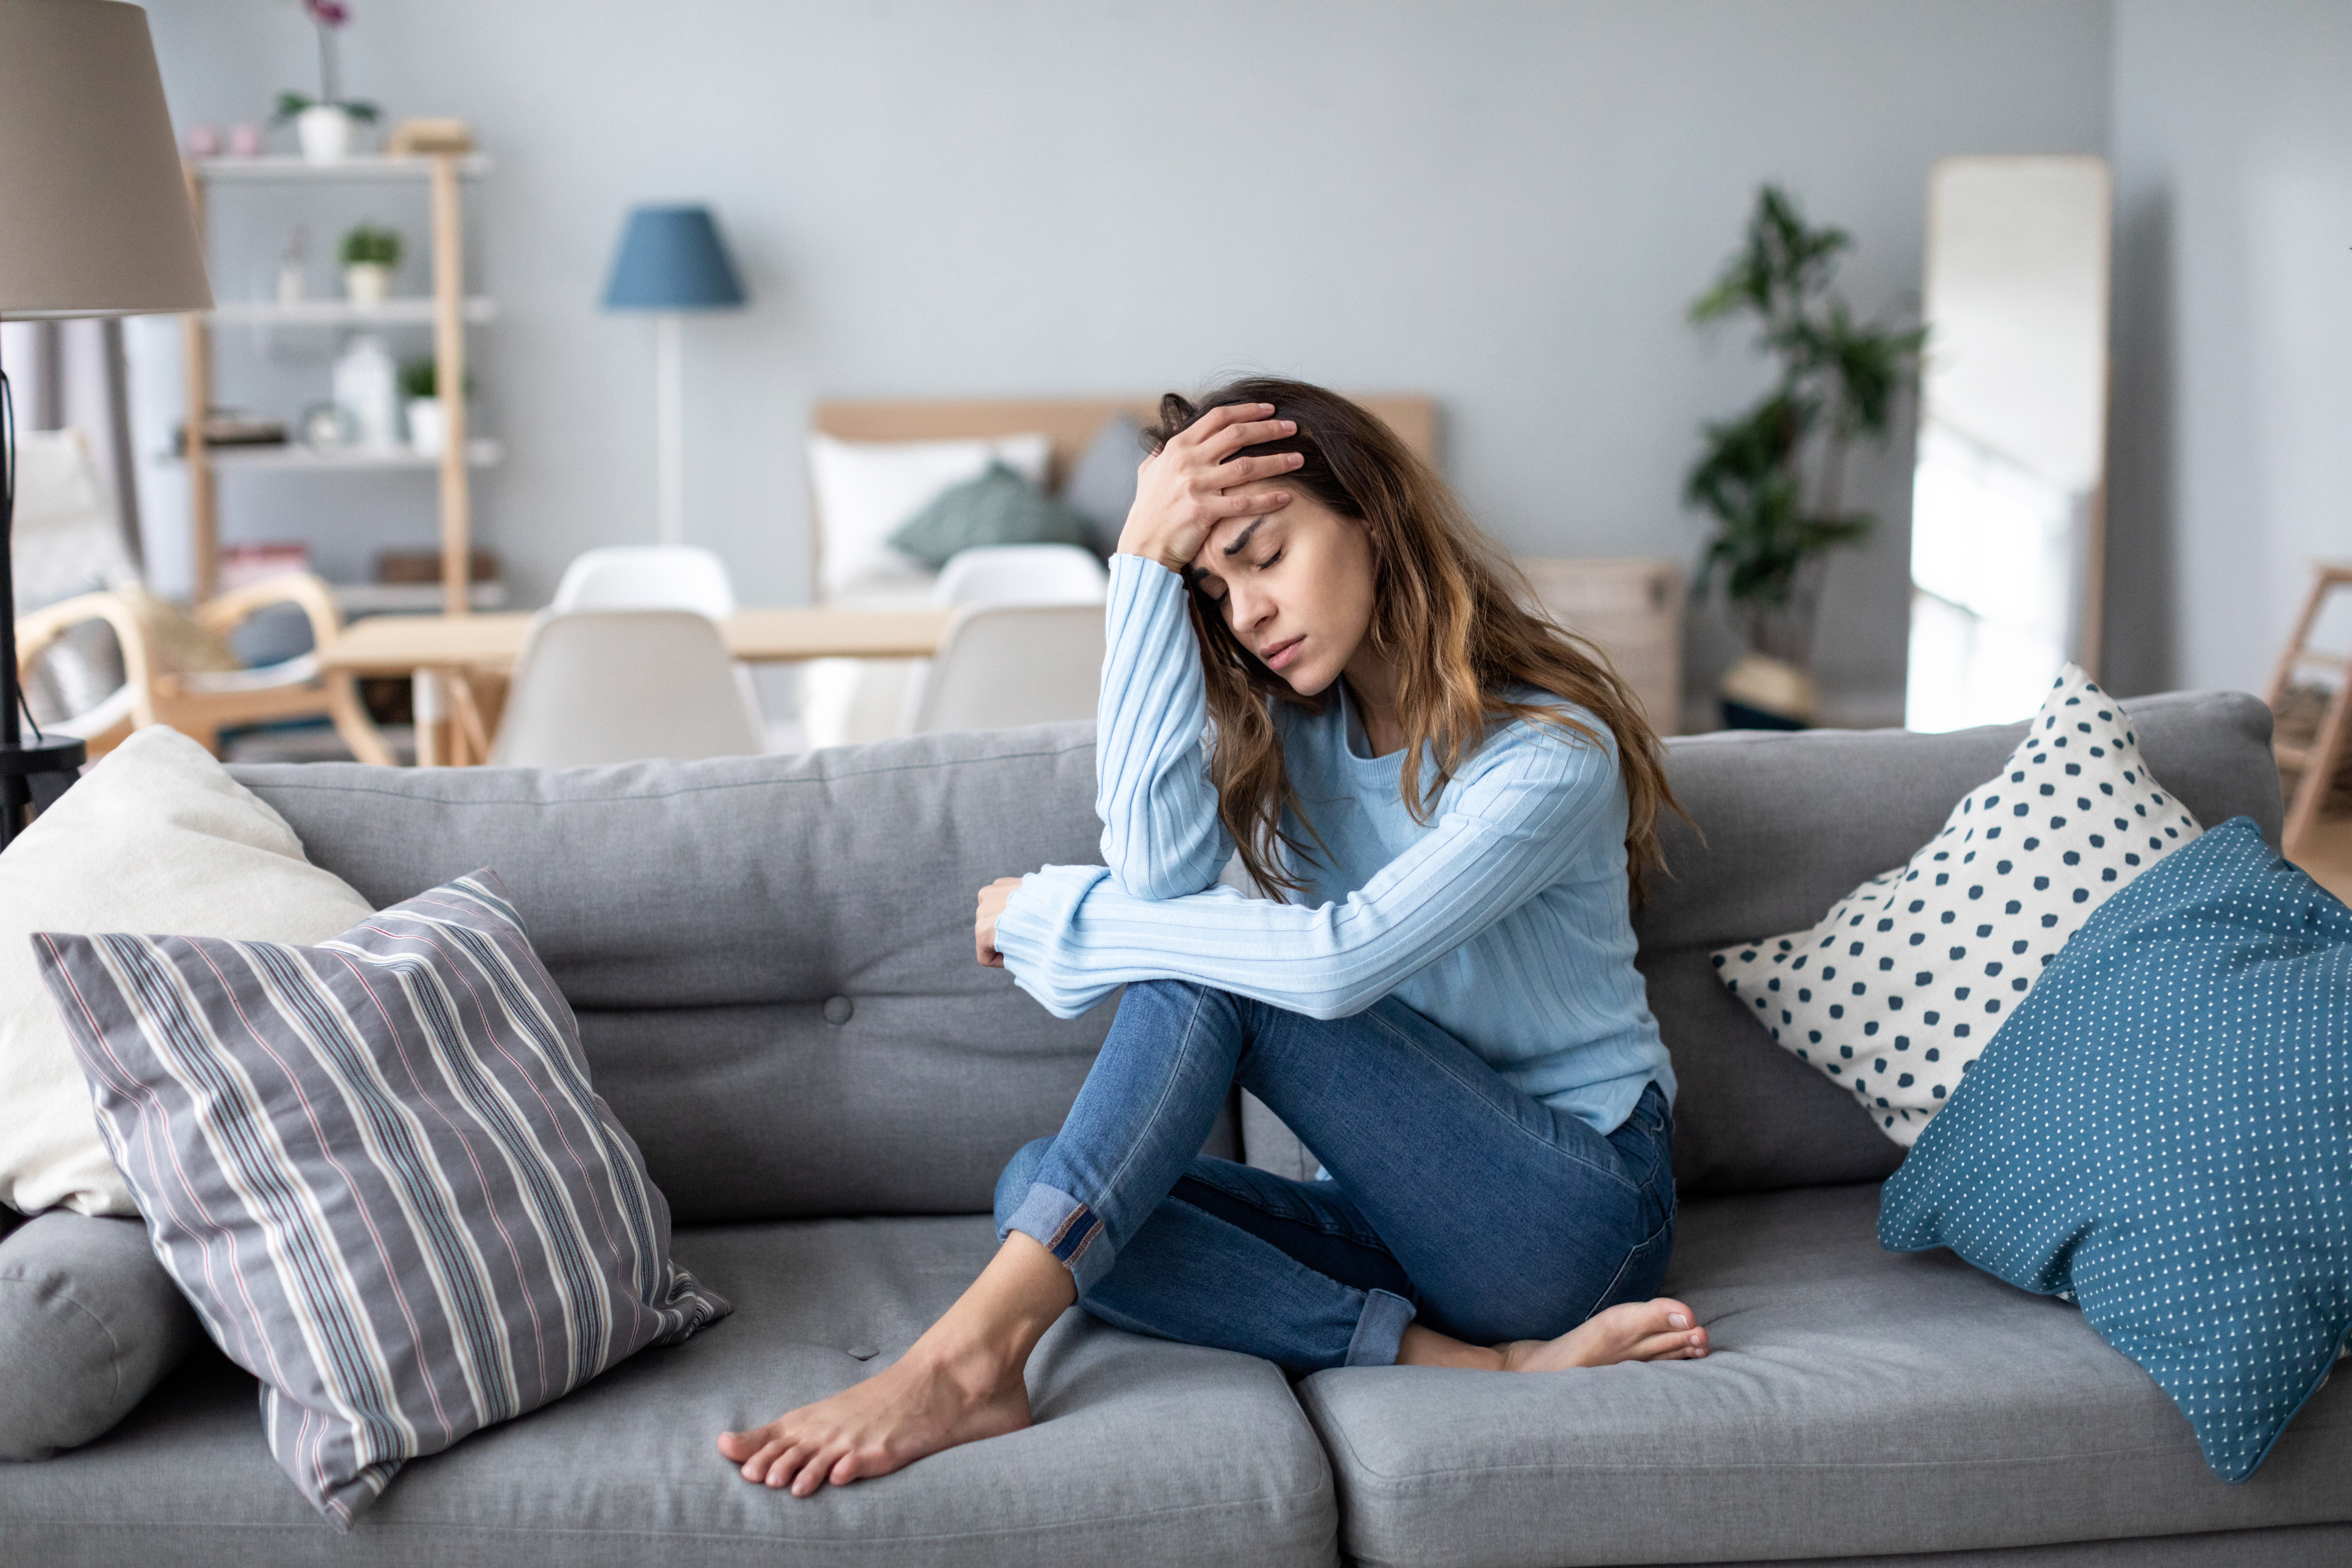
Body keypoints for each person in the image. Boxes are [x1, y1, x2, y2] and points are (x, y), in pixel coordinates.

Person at [718, 378, 1706, 1497]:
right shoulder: (1288, 730)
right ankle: (1479, 1364)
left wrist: (1064, 922)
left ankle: (966, 1360)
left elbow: (1335, 964)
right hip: (1398, 1218)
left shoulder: (1549, 751)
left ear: (1372, 516)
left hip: (1575, 1217)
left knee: (1208, 978)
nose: (1247, 617)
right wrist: (1139, 567)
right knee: (1046, 1195)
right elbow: (1156, 873)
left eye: (1264, 554)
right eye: (1214, 586)